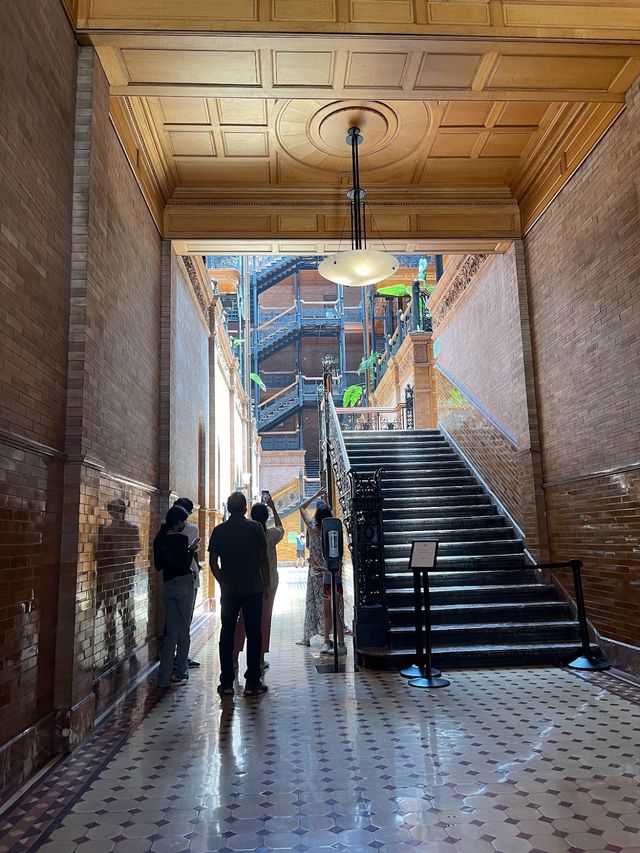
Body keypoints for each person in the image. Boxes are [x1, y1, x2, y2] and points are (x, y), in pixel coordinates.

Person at [209, 491, 270, 697]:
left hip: (230, 591)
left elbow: (212, 563)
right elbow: (263, 558)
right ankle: (253, 681)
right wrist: (267, 584)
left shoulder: (218, 530)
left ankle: (226, 682)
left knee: (227, 633)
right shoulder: (255, 528)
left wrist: (222, 581)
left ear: (227, 508)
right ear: (245, 509)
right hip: (253, 588)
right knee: (254, 633)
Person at [233, 495, 284, 673]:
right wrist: (273, 506)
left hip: (249, 582)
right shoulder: (271, 535)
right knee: (264, 620)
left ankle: (233, 657)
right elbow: (281, 528)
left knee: (243, 620)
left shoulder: (246, 534)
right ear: (266, 517)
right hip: (269, 584)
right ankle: (260, 660)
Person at [153, 505, 199, 688]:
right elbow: (184, 564)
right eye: (183, 521)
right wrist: (191, 549)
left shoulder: (159, 539)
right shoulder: (181, 539)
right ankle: (181, 671)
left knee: (171, 632)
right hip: (183, 585)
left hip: (168, 584)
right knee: (184, 630)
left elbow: (158, 565)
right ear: (178, 522)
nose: (184, 524)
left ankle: (163, 677)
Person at [297, 489, 346, 655]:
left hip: (321, 572)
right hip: (326, 574)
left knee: (321, 608)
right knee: (331, 609)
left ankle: (331, 641)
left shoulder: (313, 527)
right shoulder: (333, 530)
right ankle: (330, 640)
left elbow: (301, 507)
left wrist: (316, 496)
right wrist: (326, 502)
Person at [173, 497, 201, 668]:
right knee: (185, 620)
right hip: (189, 575)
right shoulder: (191, 529)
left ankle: (171, 657)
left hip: (170, 577)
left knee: (173, 620)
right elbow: (194, 552)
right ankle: (182, 660)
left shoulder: (165, 529)